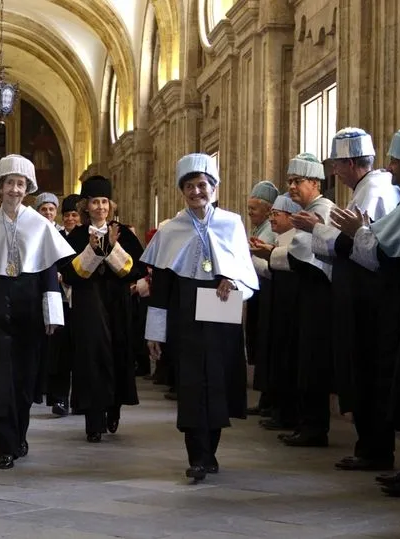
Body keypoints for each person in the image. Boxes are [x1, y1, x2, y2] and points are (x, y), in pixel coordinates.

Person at [329, 127, 400, 498]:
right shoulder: (399, 188)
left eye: (397, 163)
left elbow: (392, 245)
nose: (391, 170)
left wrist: (357, 232)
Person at [143, 153, 258, 482]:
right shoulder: (170, 229)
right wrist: (155, 333)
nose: (197, 192)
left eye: (202, 185)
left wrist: (232, 278)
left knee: (218, 382)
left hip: (220, 311)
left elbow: (245, 273)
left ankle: (212, 452)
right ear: (182, 192)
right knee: (192, 385)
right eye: (190, 186)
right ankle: (197, 455)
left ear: (215, 188)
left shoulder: (232, 223)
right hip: (186, 315)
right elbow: (161, 289)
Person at [0, 154, 75, 468]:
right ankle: (4, 445)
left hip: (30, 315)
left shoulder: (39, 224)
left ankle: (19, 433)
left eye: (21, 184)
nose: (15, 189)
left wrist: (52, 314)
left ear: (28, 188)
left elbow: (49, 271)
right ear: (1, 186)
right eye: (10, 183)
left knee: (24, 382)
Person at [303, 127, 400, 471]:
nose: (334, 171)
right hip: (357, 298)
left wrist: (318, 231)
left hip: (367, 301)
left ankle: (375, 449)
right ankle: (369, 446)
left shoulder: (374, 190)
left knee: (367, 373)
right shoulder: (364, 189)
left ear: (353, 162)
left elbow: (363, 246)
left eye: (337, 164)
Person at [60, 175, 145, 443]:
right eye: (95, 202)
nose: (100, 207)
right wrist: (93, 251)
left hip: (118, 304)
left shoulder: (124, 233)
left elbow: (136, 270)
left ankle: (114, 409)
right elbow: (68, 273)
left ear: (111, 204)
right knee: (91, 358)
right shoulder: (76, 236)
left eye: (104, 202)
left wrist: (112, 248)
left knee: (118, 354)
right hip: (88, 305)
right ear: (86, 206)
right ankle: (93, 420)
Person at [279, 152, 337, 448]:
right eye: (289, 181)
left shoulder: (322, 209)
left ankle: (314, 426)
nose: (291, 187)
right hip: (306, 291)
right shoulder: (309, 209)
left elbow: (312, 249)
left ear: (315, 182)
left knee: (314, 360)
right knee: (304, 358)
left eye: (297, 181)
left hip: (319, 293)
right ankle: (306, 422)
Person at [249, 193, 302, 432]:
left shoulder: (296, 239)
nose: (271, 220)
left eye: (276, 214)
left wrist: (263, 256)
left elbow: (287, 265)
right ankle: (276, 408)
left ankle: (287, 413)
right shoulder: (279, 239)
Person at [244, 180, 279, 417]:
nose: (250, 215)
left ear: (268, 210)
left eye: (253, 210)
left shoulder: (270, 229)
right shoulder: (259, 229)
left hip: (269, 290)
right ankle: (266, 398)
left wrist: (247, 256)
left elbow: (268, 262)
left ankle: (270, 399)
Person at [47, 193, 81, 416]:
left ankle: (79, 399)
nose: (70, 219)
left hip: (80, 302)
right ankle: (59, 399)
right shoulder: (55, 236)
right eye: (67, 215)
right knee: (60, 353)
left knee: (80, 353)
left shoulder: (87, 237)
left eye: (74, 215)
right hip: (60, 300)